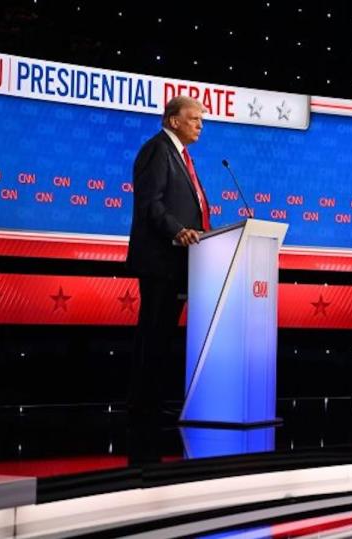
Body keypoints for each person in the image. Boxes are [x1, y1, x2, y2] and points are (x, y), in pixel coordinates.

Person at [126, 96, 211, 450]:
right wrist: (178, 230)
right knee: (153, 335)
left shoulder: (181, 156)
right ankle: (142, 411)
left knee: (162, 338)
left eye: (201, 121)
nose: (200, 126)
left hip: (179, 263)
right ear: (173, 120)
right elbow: (152, 205)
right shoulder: (157, 150)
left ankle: (152, 406)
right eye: (194, 119)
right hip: (161, 261)